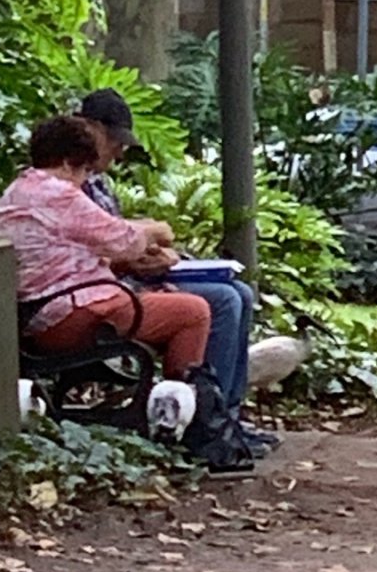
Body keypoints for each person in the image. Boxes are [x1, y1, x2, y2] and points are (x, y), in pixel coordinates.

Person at [75, 89, 274, 450]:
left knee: (240, 293)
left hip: (128, 282)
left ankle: (226, 415)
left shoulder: (96, 183)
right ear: (89, 129)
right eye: (115, 140)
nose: (120, 151)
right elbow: (95, 252)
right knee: (222, 302)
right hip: (109, 293)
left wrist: (158, 255)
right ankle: (206, 425)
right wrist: (143, 250)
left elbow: (116, 238)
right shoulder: (67, 187)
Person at [0, 115, 212, 380]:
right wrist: (157, 230)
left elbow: (91, 232)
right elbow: (125, 241)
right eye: (85, 171)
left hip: (41, 314)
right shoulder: (59, 193)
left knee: (168, 300)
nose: (84, 181)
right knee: (194, 312)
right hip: (71, 315)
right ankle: (177, 408)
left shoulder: (20, 190)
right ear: (69, 162)